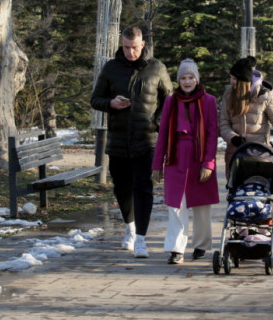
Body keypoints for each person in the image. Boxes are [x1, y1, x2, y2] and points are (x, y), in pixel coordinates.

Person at [90, 26, 173, 258]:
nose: (130, 52)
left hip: (146, 140)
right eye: (126, 47)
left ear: (142, 44)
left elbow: (169, 100)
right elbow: (95, 99)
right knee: (122, 188)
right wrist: (110, 103)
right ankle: (130, 228)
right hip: (117, 140)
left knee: (143, 187)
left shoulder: (156, 67)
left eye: (134, 48)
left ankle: (142, 240)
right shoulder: (111, 67)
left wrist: (156, 122)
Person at [152, 59, 219, 264]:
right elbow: (163, 133)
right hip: (176, 155)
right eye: (183, 78)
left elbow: (211, 133)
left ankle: (200, 245)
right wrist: (157, 164)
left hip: (199, 156)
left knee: (201, 205)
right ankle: (176, 249)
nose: (187, 81)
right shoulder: (171, 102)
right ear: (178, 80)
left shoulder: (208, 100)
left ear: (197, 79)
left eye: (191, 77)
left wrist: (208, 163)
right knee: (176, 205)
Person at [219, 55, 273, 181]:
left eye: (234, 79)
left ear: (244, 81)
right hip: (236, 155)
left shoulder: (264, 95)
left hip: (260, 155)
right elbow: (223, 122)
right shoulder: (228, 94)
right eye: (231, 78)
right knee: (237, 194)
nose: (231, 82)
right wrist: (233, 138)